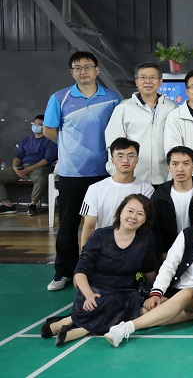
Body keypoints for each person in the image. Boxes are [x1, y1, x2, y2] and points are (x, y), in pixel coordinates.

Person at [102, 192, 193, 346]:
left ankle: (126, 328)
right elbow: (170, 264)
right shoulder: (188, 234)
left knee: (185, 294)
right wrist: (156, 292)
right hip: (178, 290)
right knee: (146, 311)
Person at [44, 51, 120, 291]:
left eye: (87, 67)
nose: (82, 71)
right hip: (72, 173)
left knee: (105, 224)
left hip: (105, 172)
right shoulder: (60, 98)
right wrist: (70, 148)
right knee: (68, 224)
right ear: (72, 72)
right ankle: (64, 272)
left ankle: (101, 269)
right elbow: (49, 130)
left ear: (97, 70)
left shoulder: (112, 98)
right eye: (77, 68)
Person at [41, 194, 157, 346]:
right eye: (130, 211)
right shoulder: (101, 235)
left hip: (125, 290)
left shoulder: (146, 239)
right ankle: (72, 323)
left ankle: (79, 327)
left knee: (132, 301)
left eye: (140, 214)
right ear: (120, 212)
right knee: (106, 302)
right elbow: (80, 271)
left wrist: (157, 290)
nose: (133, 217)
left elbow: (149, 269)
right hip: (95, 289)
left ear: (145, 220)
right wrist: (89, 295)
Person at [104, 62, 178, 186]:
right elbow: (113, 144)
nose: (148, 81)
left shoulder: (172, 108)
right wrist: (116, 174)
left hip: (165, 178)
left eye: (153, 77)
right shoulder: (123, 108)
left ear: (160, 81)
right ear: (136, 82)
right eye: (143, 77)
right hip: (133, 178)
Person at [79, 138, 155, 247]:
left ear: (137, 160)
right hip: (102, 247)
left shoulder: (147, 189)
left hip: (133, 248)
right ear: (112, 160)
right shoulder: (95, 189)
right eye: (120, 156)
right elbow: (89, 227)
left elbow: (145, 226)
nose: (125, 160)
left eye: (131, 156)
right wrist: (84, 255)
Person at [150, 146, 193, 260]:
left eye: (186, 164)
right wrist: (162, 253)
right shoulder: (160, 194)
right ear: (168, 167)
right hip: (169, 252)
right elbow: (153, 228)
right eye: (175, 164)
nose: (180, 169)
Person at [0, 114, 57, 216]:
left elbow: (47, 160)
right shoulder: (26, 140)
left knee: (41, 178)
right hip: (23, 167)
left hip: (38, 168)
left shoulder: (50, 141)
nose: (35, 126)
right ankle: (7, 205)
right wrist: (15, 167)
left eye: (39, 124)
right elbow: (18, 156)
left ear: (45, 126)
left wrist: (30, 169)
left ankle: (32, 205)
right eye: (34, 123)